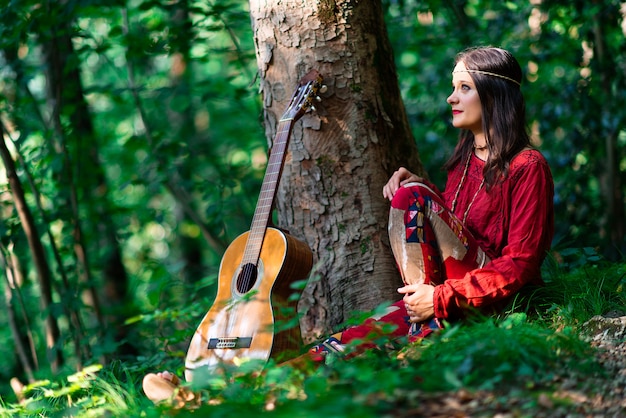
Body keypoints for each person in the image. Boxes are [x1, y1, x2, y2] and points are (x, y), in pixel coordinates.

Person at [142, 46, 554, 403]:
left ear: (495, 93)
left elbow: (520, 263)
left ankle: (425, 332)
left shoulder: (526, 166)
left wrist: (441, 295)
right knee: (338, 345)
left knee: (412, 199)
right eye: (453, 87)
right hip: (443, 298)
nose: (451, 97)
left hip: (480, 300)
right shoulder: (463, 163)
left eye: (464, 87)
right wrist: (423, 191)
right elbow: (461, 235)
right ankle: (213, 398)